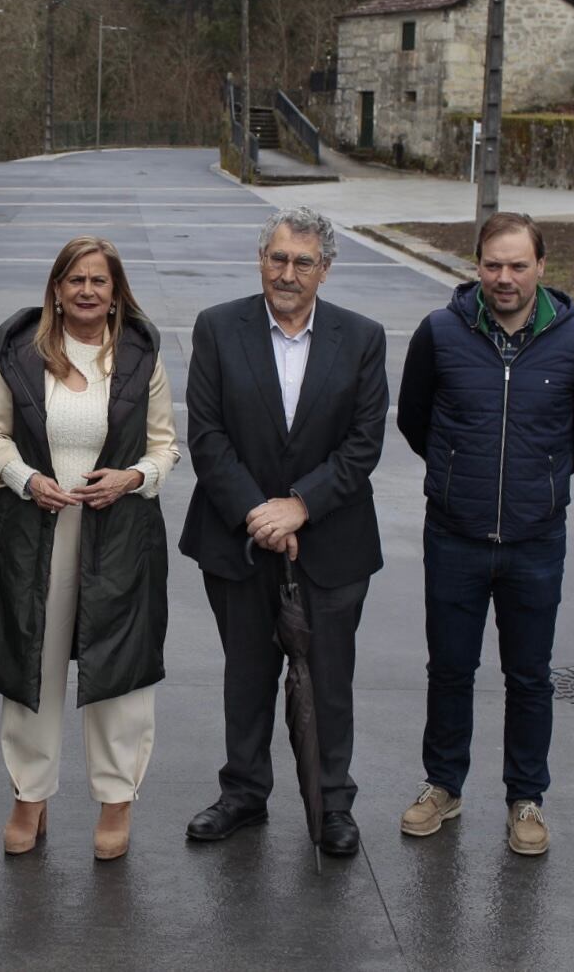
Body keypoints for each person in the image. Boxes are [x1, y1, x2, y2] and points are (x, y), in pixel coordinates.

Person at [394, 211, 574, 856]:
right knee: (450, 669)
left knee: (530, 675)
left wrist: (541, 479)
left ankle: (525, 798)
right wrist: (457, 475)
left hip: (535, 539)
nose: (505, 278)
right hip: (454, 534)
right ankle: (443, 785)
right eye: (493, 264)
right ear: (476, 266)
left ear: (542, 267)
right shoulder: (439, 333)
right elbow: (415, 420)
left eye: (518, 265)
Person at [179, 206, 388, 859]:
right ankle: (243, 791)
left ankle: (331, 802)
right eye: (277, 258)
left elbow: (364, 442)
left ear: (326, 268)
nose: (287, 272)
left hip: (333, 541)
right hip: (237, 539)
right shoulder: (218, 328)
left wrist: (300, 505)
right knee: (246, 672)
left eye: (302, 261)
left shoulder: (362, 337)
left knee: (329, 678)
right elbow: (207, 437)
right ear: (260, 260)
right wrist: (257, 513)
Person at [0, 236, 182, 862]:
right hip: (31, 536)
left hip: (117, 539)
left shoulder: (142, 358)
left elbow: (165, 445)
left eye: (99, 280)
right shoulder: (20, 353)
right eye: (75, 280)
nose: (88, 290)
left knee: (118, 671)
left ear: (116, 291)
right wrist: (25, 480)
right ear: (57, 291)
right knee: (31, 667)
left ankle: (116, 801)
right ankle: (29, 796)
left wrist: (133, 478)